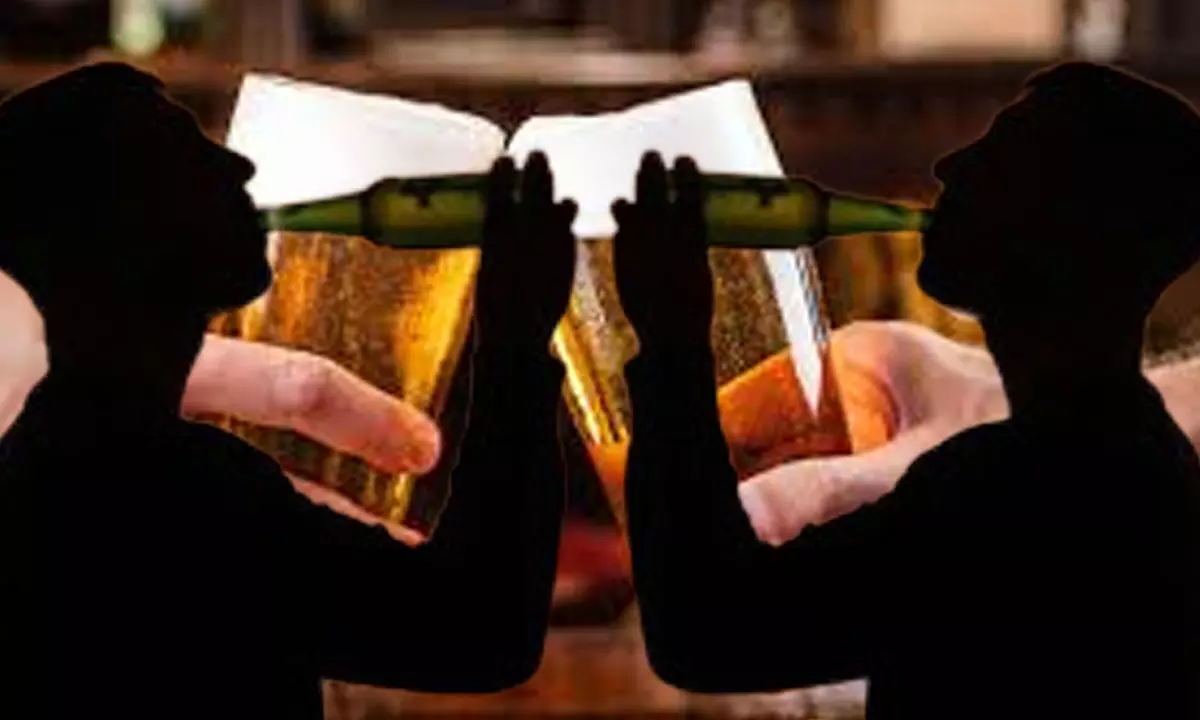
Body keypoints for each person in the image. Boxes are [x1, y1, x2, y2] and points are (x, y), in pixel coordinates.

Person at [617, 62, 1200, 719]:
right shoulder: (1133, 463)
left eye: (1003, 156)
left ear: (1074, 229)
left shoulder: (1021, 490)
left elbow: (709, 630)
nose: (950, 166)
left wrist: (671, 342)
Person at [0, 63, 574, 718]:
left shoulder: (75, 461)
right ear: (110, 232)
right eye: (183, 153)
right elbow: (479, 630)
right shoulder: (156, 485)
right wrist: (516, 346)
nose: (238, 166)